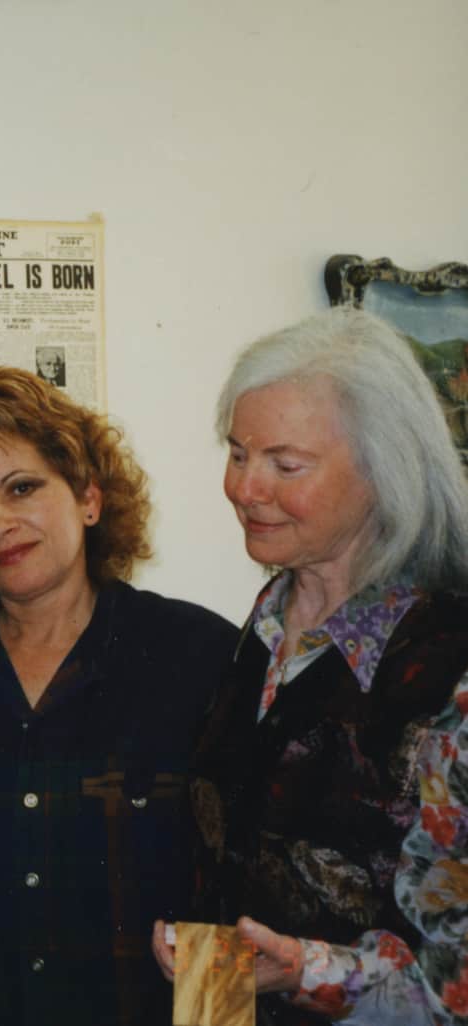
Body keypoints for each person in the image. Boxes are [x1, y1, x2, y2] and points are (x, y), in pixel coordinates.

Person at [152, 308, 468, 1025]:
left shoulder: (450, 665)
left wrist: (306, 970)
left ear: (385, 471)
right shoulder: (267, 622)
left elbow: (457, 977)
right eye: (237, 453)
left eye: (284, 465)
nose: (244, 488)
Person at [0, 366, 236, 1025]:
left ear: (88, 496)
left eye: (21, 487)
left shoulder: (198, 654)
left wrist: (219, 1016)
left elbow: (238, 888)